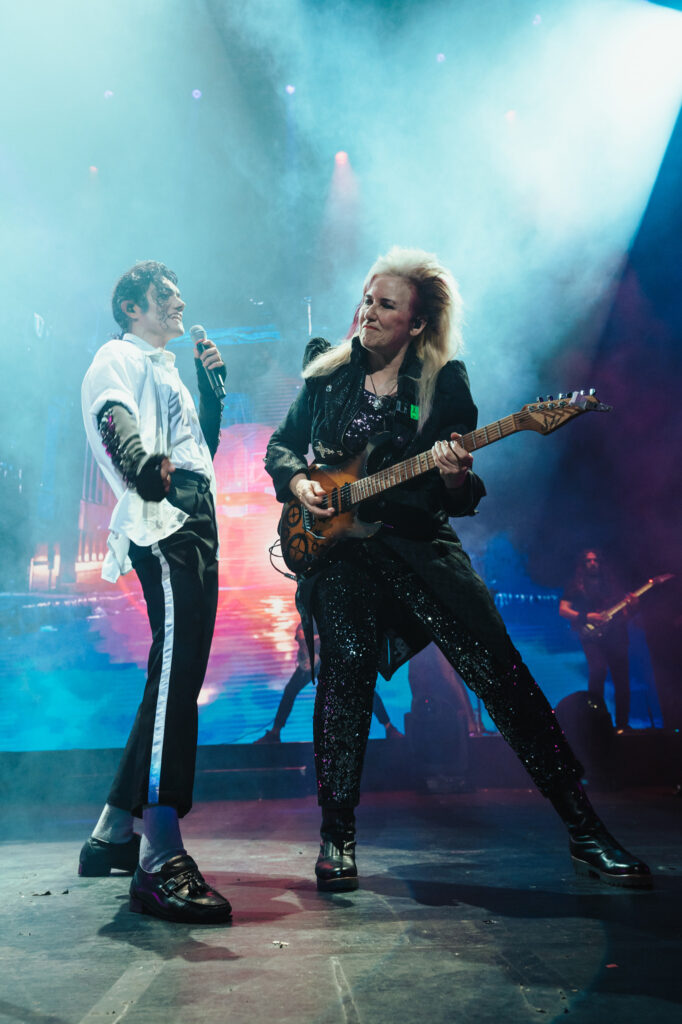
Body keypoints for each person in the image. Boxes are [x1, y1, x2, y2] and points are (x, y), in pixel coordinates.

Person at [264, 246, 651, 893]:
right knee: (345, 674)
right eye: (367, 298)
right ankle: (337, 835)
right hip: (343, 554)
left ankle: (585, 830)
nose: (368, 312)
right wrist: (300, 482)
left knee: (500, 672)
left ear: (417, 323)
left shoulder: (444, 382)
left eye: (386, 305)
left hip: (420, 546)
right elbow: (282, 446)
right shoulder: (328, 374)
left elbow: (458, 496)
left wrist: (452, 475)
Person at [79, 260, 232, 923]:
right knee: (177, 673)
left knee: (176, 669)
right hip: (164, 516)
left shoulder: (166, 369)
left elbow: (200, 451)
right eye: (165, 294)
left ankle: (112, 834)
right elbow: (112, 417)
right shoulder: (116, 357)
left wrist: (212, 392)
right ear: (131, 307)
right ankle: (159, 856)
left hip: (193, 508)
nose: (180, 301)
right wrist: (141, 465)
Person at [255, 620, 403, 743]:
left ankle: (389, 728)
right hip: (314, 660)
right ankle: (275, 733)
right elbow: (302, 628)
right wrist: (303, 643)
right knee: (291, 690)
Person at [559, 549, 637, 733]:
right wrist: (587, 617)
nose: (593, 563)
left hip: (616, 636)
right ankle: (597, 722)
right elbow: (563, 610)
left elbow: (626, 613)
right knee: (598, 672)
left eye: (595, 560)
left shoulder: (612, 584)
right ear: (582, 564)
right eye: (588, 560)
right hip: (591, 637)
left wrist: (633, 606)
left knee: (622, 680)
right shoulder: (575, 586)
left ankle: (623, 724)